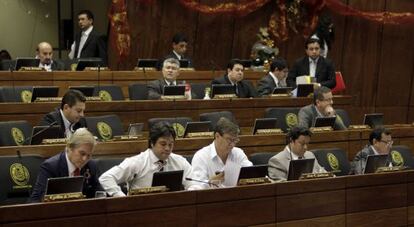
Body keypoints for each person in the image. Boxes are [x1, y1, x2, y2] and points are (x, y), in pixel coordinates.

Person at [99, 122, 200, 196]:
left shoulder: (179, 161)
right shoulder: (137, 162)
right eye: (163, 144)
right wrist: (122, 198)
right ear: (152, 143)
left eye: (171, 144)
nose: (168, 148)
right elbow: (106, 178)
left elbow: (196, 184)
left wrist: (188, 194)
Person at [29, 128, 101, 202]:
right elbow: (36, 199)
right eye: (82, 153)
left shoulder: (91, 166)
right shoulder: (50, 167)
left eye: (89, 155)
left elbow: (98, 193)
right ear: (70, 148)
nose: (85, 159)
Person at [190, 117, 252, 189]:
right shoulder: (201, 156)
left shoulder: (238, 153)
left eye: (235, 140)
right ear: (217, 136)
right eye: (229, 140)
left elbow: (250, 174)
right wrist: (212, 182)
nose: (232, 144)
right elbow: (197, 187)